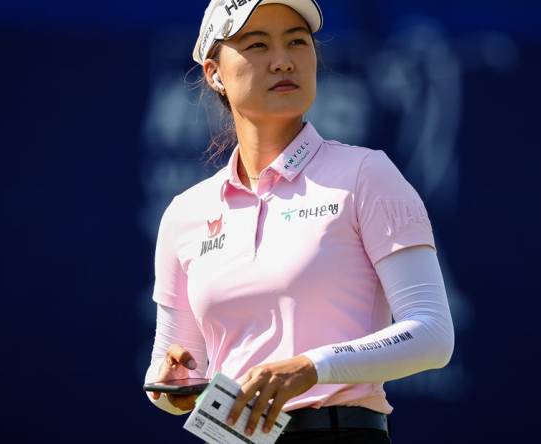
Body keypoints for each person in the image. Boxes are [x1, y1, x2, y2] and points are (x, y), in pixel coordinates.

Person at [143, 1, 455, 442]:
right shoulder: (185, 213)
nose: (284, 60)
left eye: (297, 41)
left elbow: (432, 334)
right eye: (257, 44)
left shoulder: (367, 174)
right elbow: (166, 372)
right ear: (214, 73)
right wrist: (174, 381)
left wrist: (311, 367)